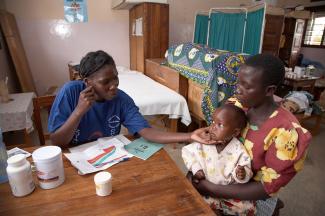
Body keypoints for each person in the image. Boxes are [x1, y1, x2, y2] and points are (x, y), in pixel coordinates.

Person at [190, 54, 312, 215]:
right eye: (238, 82)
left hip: (253, 195)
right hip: (221, 174)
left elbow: (267, 187)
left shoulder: (286, 132)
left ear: (269, 90)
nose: (237, 90)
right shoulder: (238, 105)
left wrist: (213, 188)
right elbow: (217, 136)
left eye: (246, 86)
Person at [48, 50, 211, 147]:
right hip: (72, 158)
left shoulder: (120, 99)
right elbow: (56, 142)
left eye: (115, 78)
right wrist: (79, 111)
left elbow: (147, 132)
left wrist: (190, 136)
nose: (114, 86)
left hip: (103, 158)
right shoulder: (70, 92)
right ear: (87, 82)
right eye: (105, 82)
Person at [182, 104, 256, 215]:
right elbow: (187, 152)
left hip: (227, 194)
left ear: (235, 132)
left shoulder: (238, 149)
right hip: (204, 189)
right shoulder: (205, 141)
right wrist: (196, 169)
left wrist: (242, 173)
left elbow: (245, 167)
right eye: (212, 122)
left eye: (220, 125)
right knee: (192, 201)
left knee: (249, 208)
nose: (212, 127)